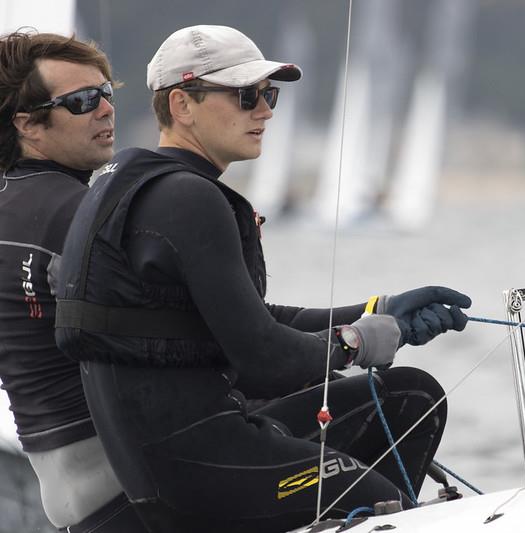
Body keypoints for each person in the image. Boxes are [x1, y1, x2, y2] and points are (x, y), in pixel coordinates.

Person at [54, 25, 471, 533]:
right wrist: (361, 341)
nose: (266, 111)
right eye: (246, 96)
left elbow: (253, 319)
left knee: (410, 396)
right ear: (182, 105)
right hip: (199, 471)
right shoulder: (188, 197)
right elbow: (265, 358)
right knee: (377, 498)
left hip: (185, 457)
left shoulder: (139, 186)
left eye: (268, 94)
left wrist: (377, 310)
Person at [0, 31, 147, 531]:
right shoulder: (79, 211)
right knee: (398, 396)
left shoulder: (12, 206)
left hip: (66, 498)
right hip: (127, 486)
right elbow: (200, 342)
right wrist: (350, 334)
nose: (106, 110)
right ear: (28, 125)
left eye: (108, 93)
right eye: (83, 101)